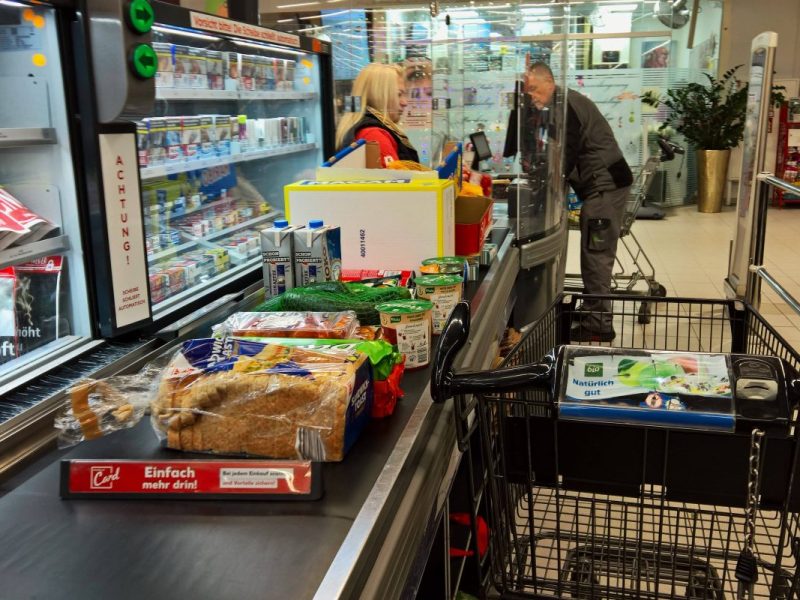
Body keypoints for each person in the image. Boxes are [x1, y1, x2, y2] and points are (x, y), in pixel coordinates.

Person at [524, 62, 633, 342]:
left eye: (535, 89)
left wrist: (546, 181)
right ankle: (595, 310)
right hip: (602, 186)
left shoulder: (566, 106)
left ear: (549, 81)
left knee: (596, 257)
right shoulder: (562, 104)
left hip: (605, 188)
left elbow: (566, 153)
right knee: (594, 254)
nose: (532, 96)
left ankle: (599, 326)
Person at [335, 63, 419, 167]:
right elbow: (396, 180)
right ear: (379, 96)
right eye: (399, 94)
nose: (405, 102)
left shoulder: (359, 126)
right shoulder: (373, 135)